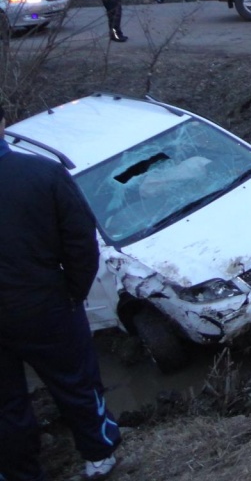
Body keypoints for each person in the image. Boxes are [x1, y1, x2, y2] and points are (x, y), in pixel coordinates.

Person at [0, 104, 121, 481]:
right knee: (74, 380)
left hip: (35, 300)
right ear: (4, 123)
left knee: (4, 404)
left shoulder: (41, 174)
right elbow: (81, 242)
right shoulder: (41, 173)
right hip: (43, 302)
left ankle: (19, 472)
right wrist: (73, 291)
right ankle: (99, 453)